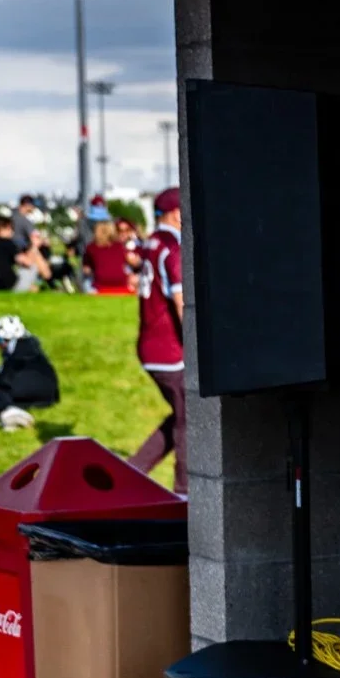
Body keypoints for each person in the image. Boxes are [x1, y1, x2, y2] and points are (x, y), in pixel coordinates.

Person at [131, 187, 187, 486]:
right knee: (190, 421)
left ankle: (132, 471)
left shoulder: (152, 244)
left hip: (151, 345)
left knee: (183, 412)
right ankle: (186, 492)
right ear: (178, 213)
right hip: (169, 350)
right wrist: (196, 345)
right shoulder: (172, 249)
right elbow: (181, 303)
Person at [0, 314, 59, 430]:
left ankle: (10, 412)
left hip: (26, 391)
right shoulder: (32, 347)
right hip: (49, 395)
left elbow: (6, 381)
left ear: (5, 339)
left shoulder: (15, 354)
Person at [80, 208, 131, 295]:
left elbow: (86, 270)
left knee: (86, 279)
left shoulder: (91, 248)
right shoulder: (120, 246)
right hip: (122, 283)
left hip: (101, 285)